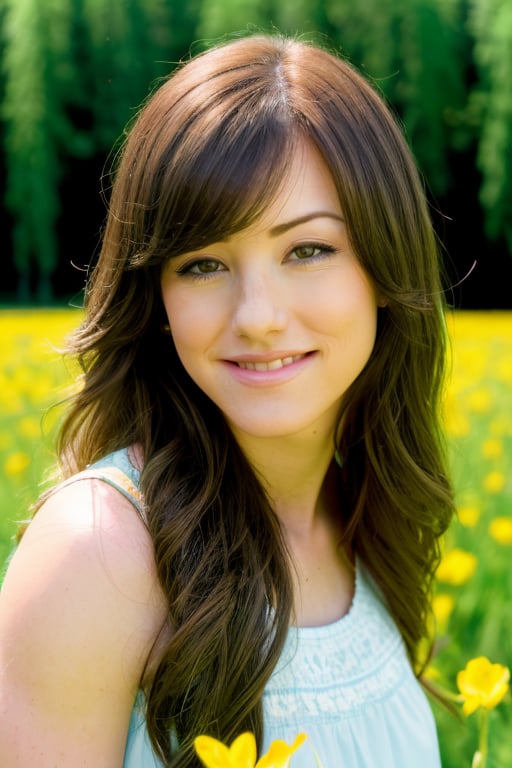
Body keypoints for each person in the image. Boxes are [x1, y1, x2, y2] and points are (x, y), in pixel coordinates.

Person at [0, 33, 455, 768]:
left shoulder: (366, 518)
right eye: (204, 263)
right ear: (157, 301)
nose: (257, 315)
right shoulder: (101, 553)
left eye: (307, 250)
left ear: (384, 264)